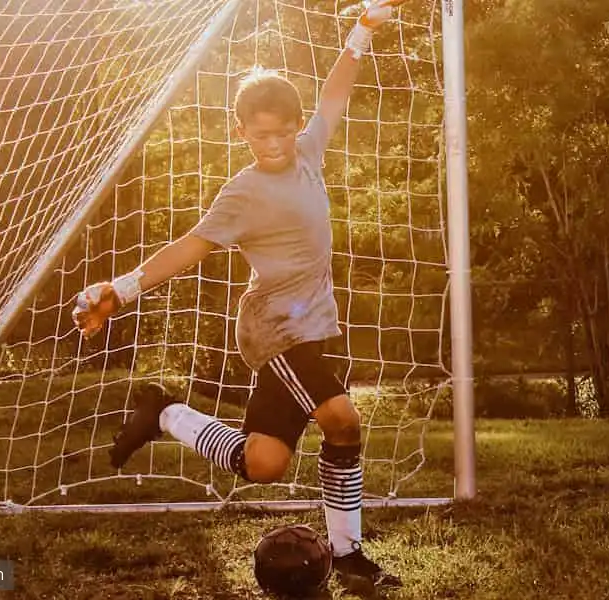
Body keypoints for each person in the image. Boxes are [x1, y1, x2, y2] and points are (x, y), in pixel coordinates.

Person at [71, 0, 408, 591]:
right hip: (276, 331)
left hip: (315, 327)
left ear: (294, 128)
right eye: (260, 133)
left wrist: (361, 30)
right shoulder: (242, 193)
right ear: (241, 132)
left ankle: (164, 413)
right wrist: (118, 291)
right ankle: (348, 553)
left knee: (265, 463)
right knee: (343, 422)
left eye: (282, 130)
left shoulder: (308, 155)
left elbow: (333, 97)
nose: (273, 141)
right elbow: (189, 247)